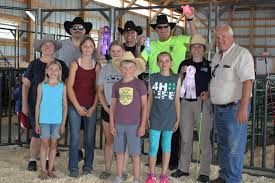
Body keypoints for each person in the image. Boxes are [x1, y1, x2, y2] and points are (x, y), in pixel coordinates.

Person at [141, 12, 197, 168]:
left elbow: (196, 39)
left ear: (170, 28)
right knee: (155, 125)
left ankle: (172, 161)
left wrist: (190, 19)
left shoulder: (179, 40)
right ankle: (156, 158)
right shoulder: (150, 44)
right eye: (160, 27)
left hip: (175, 86)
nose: (163, 29)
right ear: (156, 30)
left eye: (166, 26)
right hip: (156, 88)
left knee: (173, 127)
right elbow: (141, 60)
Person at [209, 25, 255, 183]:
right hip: (219, 109)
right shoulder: (217, 56)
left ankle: (234, 179)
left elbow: (248, 82)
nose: (220, 40)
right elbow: (217, 79)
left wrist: (243, 108)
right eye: (217, 37)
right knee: (223, 144)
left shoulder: (241, 54)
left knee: (235, 147)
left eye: (223, 37)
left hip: (235, 108)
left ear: (232, 37)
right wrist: (209, 93)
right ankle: (224, 176)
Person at [22, 34, 69, 171]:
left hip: (55, 106)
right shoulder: (34, 64)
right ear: (40, 48)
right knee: (37, 134)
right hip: (35, 104)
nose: (48, 47)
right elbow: (26, 85)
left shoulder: (61, 64)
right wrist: (24, 104)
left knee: (52, 136)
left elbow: (65, 83)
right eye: (45, 45)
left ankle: (48, 160)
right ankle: (32, 159)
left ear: (54, 48)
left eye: (51, 45)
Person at [171, 34, 212, 183]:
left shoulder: (209, 65)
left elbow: (213, 84)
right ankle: (183, 167)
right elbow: (178, 83)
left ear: (203, 49)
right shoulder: (184, 63)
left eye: (199, 46)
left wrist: (209, 93)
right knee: (186, 137)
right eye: (194, 46)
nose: (196, 49)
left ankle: (205, 171)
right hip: (186, 103)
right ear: (190, 49)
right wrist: (181, 74)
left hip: (202, 102)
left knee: (203, 138)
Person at [55, 17, 93, 160]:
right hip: (62, 84)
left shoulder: (87, 46)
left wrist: (102, 37)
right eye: (74, 28)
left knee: (81, 121)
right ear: (70, 30)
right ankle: (55, 145)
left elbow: (100, 57)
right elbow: (54, 63)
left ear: (85, 31)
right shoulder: (61, 45)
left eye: (80, 28)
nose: (77, 30)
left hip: (81, 87)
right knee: (59, 115)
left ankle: (78, 149)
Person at [110, 51, 147, 183]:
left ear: (135, 68)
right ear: (120, 68)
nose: (127, 70)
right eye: (124, 67)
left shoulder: (140, 84)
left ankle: (136, 178)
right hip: (119, 124)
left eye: (130, 67)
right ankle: (119, 176)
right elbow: (113, 106)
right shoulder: (116, 85)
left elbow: (144, 106)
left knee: (135, 153)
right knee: (119, 152)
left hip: (134, 124)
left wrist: (143, 125)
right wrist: (112, 124)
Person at [67, 36, 100, 177]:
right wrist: (77, 105)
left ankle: (88, 166)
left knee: (89, 138)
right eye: (85, 46)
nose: (87, 48)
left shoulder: (97, 66)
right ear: (81, 47)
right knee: (74, 138)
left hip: (91, 105)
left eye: (90, 46)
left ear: (93, 48)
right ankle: (73, 167)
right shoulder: (75, 64)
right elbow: (69, 87)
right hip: (75, 105)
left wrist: (93, 106)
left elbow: (98, 88)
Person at [145, 52, 181, 183]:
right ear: (157, 63)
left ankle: (164, 174)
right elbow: (150, 100)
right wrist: (147, 117)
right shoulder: (153, 78)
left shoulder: (176, 79)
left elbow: (177, 100)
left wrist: (178, 118)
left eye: (166, 61)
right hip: (155, 117)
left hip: (169, 118)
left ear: (171, 62)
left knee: (166, 146)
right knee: (153, 146)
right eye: (161, 61)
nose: (164, 63)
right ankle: (152, 173)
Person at [97, 41, 128, 180]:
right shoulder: (104, 69)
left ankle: (123, 170)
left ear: (123, 52)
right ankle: (108, 169)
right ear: (109, 52)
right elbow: (100, 91)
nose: (115, 54)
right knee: (109, 141)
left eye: (118, 51)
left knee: (124, 141)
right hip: (108, 108)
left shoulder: (129, 68)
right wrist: (105, 108)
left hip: (125, 109)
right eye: (113, 51)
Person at [35, 61, 68, 179]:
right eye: (51, 69)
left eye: (56, 69)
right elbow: (38, 104)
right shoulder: (42, 85)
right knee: (44, 144)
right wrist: (36, 122)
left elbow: (65, 105)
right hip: (44, 120)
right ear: (47, 71)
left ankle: (50, 169)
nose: (53, 72)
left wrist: (63, 123)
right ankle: (43, 170)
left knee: (54, 145)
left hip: (57, 121)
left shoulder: (62, 86)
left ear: (59, 72)